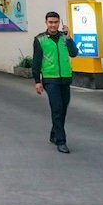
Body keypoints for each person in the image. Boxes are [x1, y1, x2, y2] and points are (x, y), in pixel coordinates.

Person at [32, 11, 79, 154]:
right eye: (50, 22)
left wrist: (69, 37)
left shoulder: (65, 38)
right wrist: (37, 81)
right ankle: (61, 141)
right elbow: (36, 61)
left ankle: (54, 133)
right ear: (46, 23)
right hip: (50, 79)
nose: (53, 25)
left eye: (55, 22)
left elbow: (74, 53)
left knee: (63, 107)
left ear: (59, 23)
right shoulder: (40, 39)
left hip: (65, 78)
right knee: (57, 107)